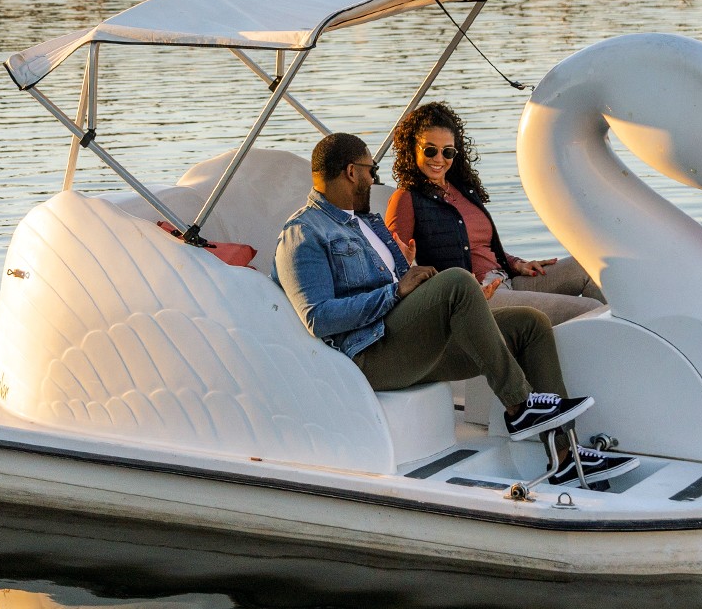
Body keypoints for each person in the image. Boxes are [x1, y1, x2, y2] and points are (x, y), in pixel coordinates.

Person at [273, 132, 636, 487]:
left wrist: (422, 283)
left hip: (406, 343)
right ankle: (519, 406)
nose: (374, 177)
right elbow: (319, 318)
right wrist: (396, 291)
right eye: (371, 169)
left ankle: (565, 456)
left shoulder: (368, 222)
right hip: (372, 355)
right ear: (351, 171)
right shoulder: (303, 233)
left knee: (528, 323)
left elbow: (405, 286)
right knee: (457, 281)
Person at [385, 102, 603, 325]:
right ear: (412, 148)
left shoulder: (463, 189)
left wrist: (516, 263)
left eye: (447, 151)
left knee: (593, 267)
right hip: (478, 297)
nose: (439, 159)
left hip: (505, 280)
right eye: (430, 150)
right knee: (592, 310)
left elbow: (482, 246)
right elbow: (390, 266)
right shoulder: (406, 198)